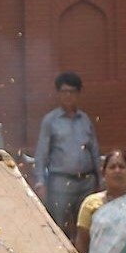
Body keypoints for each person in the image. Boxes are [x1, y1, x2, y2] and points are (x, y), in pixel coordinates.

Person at [33, 72, 101, 237]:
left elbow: (94, 151)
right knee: (58, 228)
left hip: (86, 182)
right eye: (64, 92)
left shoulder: (85, 120)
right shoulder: (50, 121)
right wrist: (40, 182)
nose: (68, 96)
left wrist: (101, 178)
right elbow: (41, 154)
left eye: (72, 92)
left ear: (78, 94)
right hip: (60, 183)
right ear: (58, 93)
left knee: (87, 228)